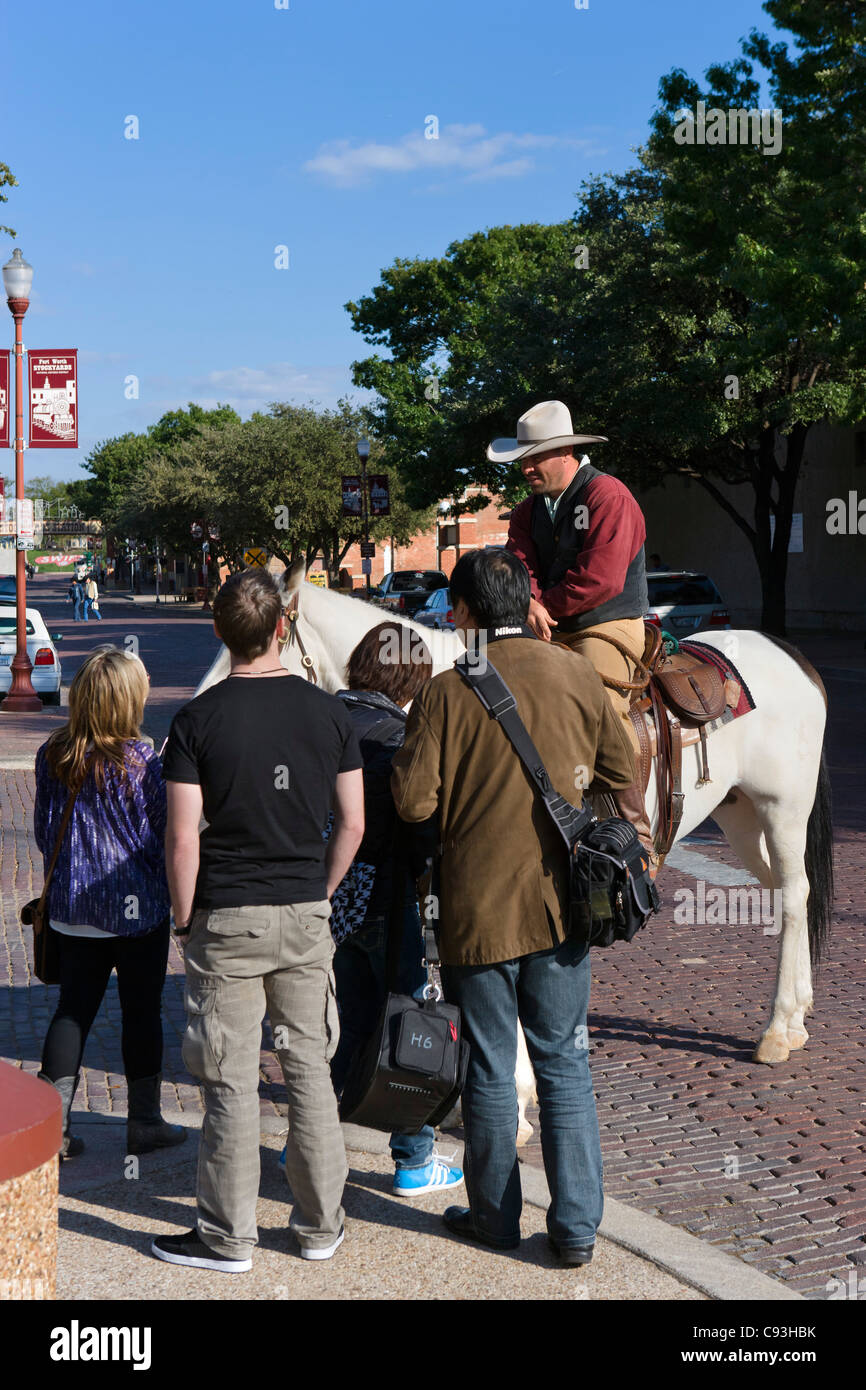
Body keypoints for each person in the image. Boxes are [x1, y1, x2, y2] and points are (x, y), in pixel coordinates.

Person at [391, 548, 635, 1262]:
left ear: (463, 613)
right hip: (564, 906)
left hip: (478, 912)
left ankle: (494, 1219)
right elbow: (620, 769)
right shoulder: (574, 671)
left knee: (493, 1068)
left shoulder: (445, 690)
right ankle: (576, 1230)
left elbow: (412, 802)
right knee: (565, 1062)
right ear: (526, 603)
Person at [155, 568, 364, 1272]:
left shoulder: (196, 720)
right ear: (282, 627)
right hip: (304, 911)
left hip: (227, 914)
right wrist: (321, 890)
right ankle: (319, 1226)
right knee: (309, 1070)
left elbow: (183, 838)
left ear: (219, 631)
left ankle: (226, 1236)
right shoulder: (333, 713)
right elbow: (353, 823)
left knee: (229, 1080)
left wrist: (185, 920)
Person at [325, 622, 463, 1196]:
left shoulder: (321, 717)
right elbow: (420, 824)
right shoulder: (399, 733)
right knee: (409, 1030)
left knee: (349, 1028)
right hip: (386, 898)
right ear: (409, 677)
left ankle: (312, 1145)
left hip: (327, 899)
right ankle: (413, 1160)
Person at [35, 646, 184, 1161]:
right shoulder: (144, 763)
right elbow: (164, 834)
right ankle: (144, 1122)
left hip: (73, 908)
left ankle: (53, 1130)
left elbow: (42, 831)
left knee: (72, 1011)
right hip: (136, 911)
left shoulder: (53, 753)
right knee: (141, 1012)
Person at [496, 400, 656, 870]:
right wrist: (525, 599)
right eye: (522, 458)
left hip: (608, 623)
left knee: (602, 703)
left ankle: (636, 834)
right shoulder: (528, 511)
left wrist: (542, 607)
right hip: (548, 620)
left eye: (535, 457)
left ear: (566, 451)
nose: (525, 467)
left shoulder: (610, 497)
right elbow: (517, 562)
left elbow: (600, 579)